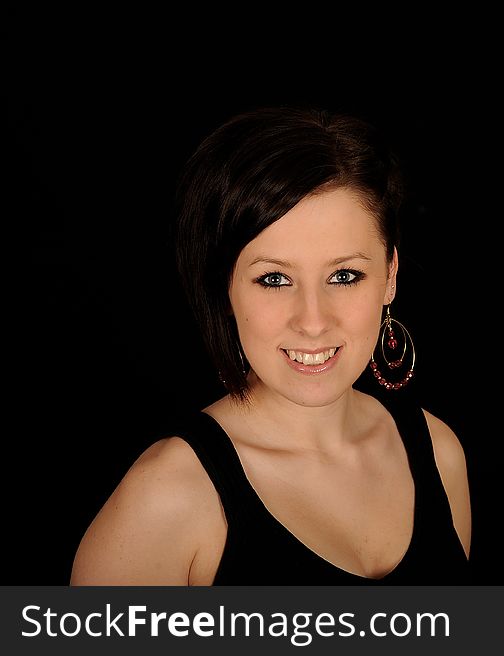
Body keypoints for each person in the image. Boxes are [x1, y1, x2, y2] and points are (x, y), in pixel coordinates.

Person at [70, 106, 471, 585]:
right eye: (274, 278)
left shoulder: (439, 453)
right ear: (225, 289)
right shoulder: (168, 498)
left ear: (390, 276)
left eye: (344, 276)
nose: (313, 321)